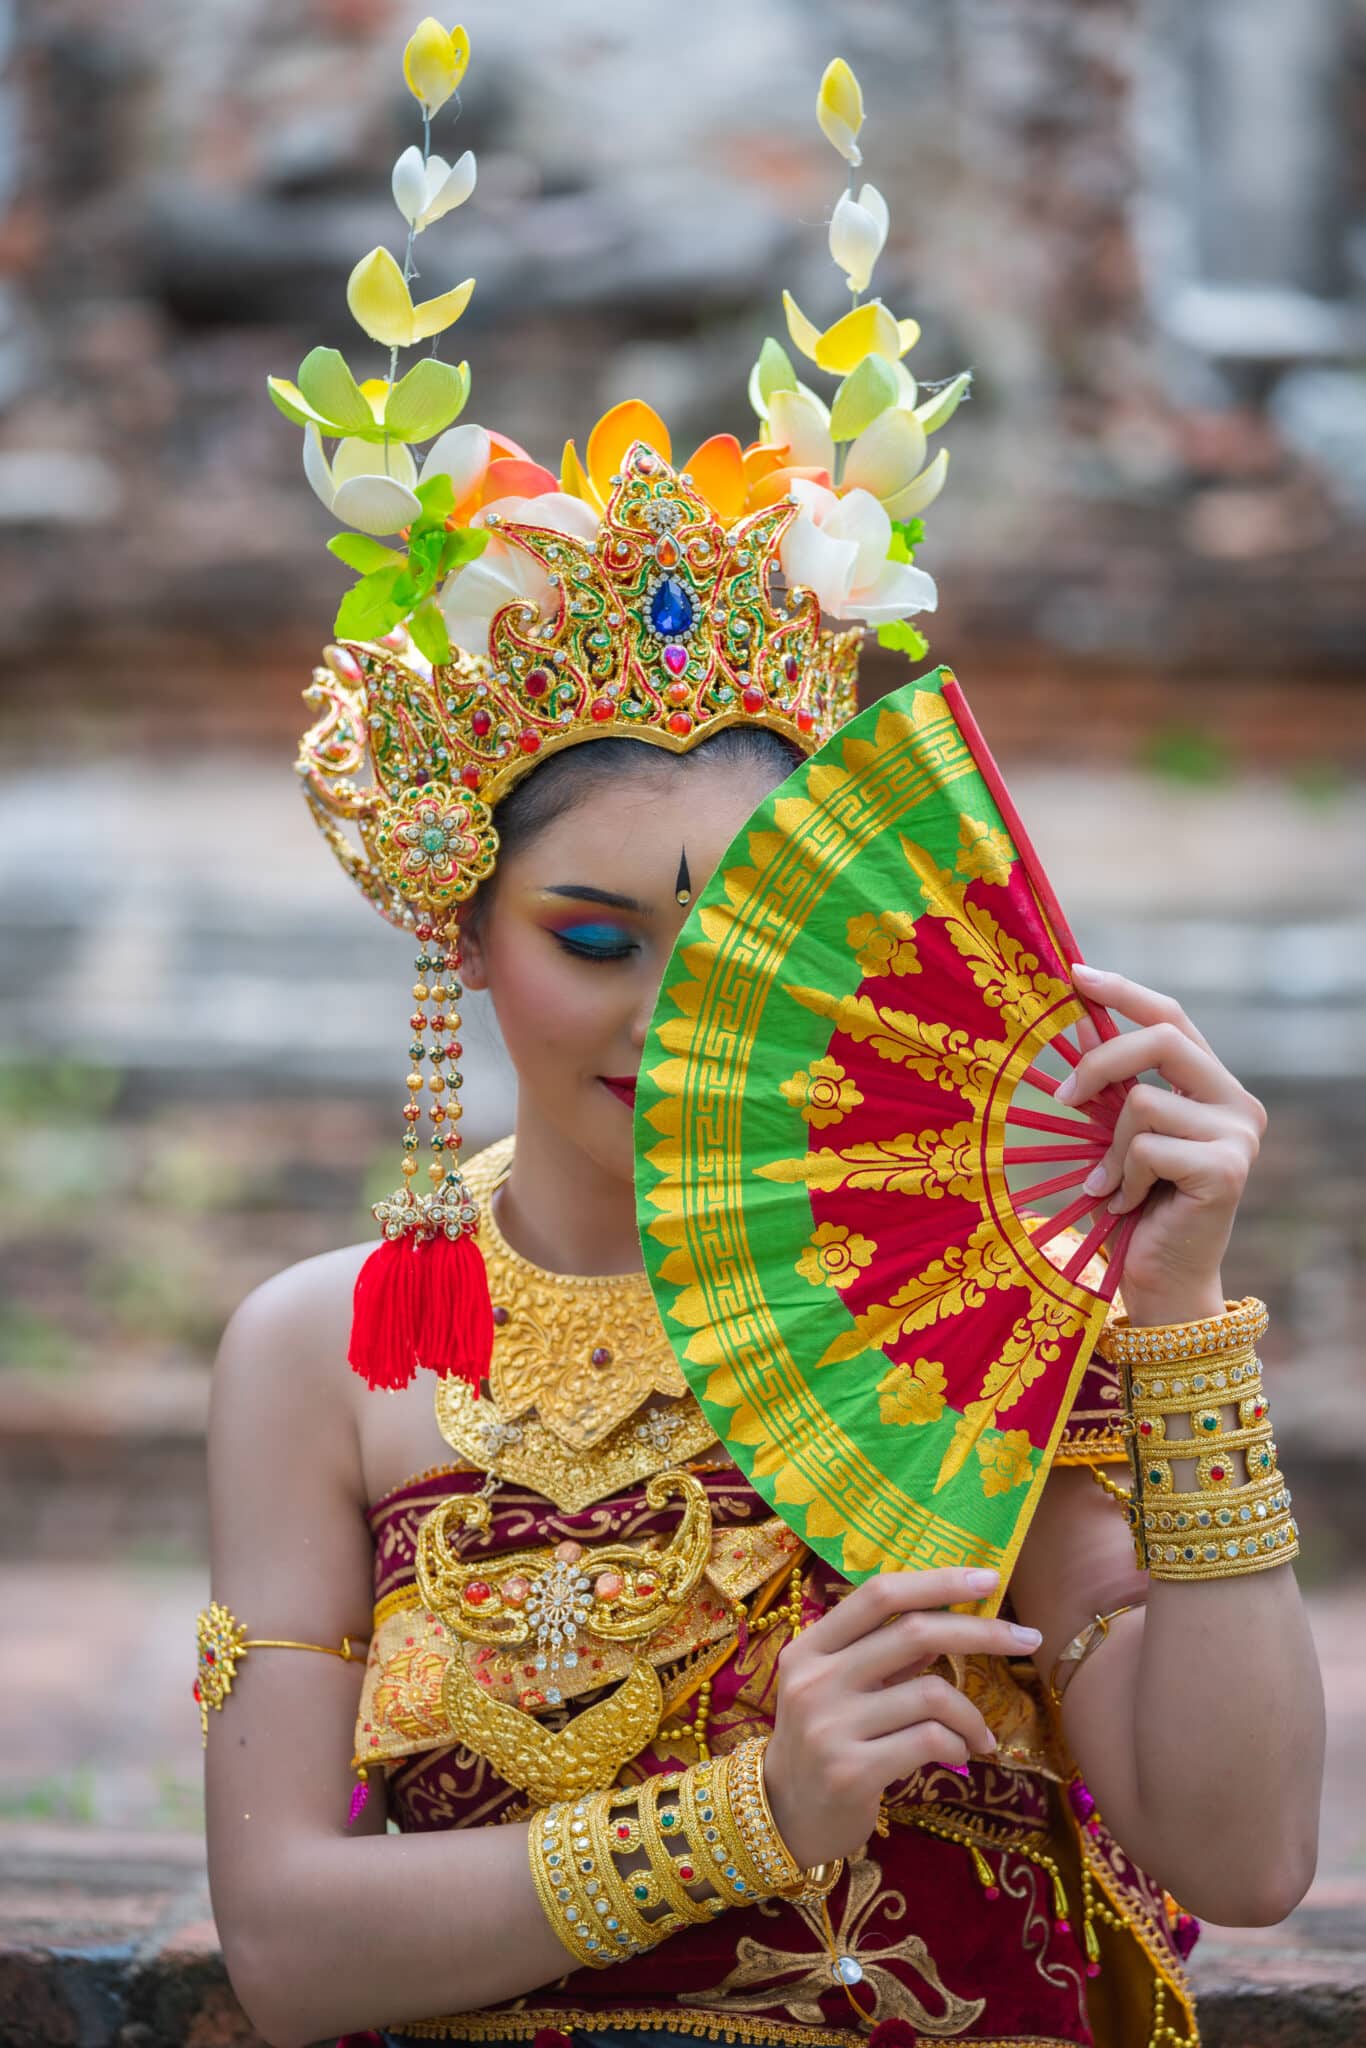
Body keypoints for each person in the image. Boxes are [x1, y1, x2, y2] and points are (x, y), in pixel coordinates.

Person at [200, 30, 1325, 2048]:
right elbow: (281, 1945)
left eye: (735, 936)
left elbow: (1238, 1857)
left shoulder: (972, 1283)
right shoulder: (327, 1349)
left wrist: (1170, 1312)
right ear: (462, 935)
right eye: (594, 937)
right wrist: (752, 1813)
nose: (672, 1008)